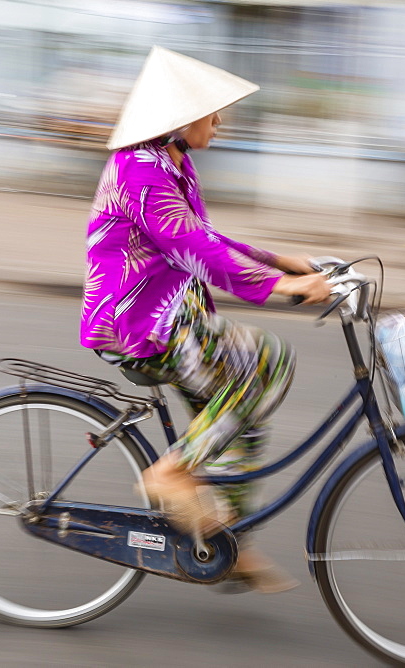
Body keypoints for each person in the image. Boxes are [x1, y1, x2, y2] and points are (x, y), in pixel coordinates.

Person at [80, 46, 329, 592]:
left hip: (174, 314)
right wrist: (279, 287)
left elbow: (206, 236)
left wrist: (277, 258)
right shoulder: (140, 171)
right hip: (141, 322)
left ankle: (225, 536)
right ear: (177, 119)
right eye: (211, 110)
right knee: (267, 358)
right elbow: (196, 249)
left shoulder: (172, 163)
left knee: (243, 414)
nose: (220, 120)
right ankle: (169, 475)